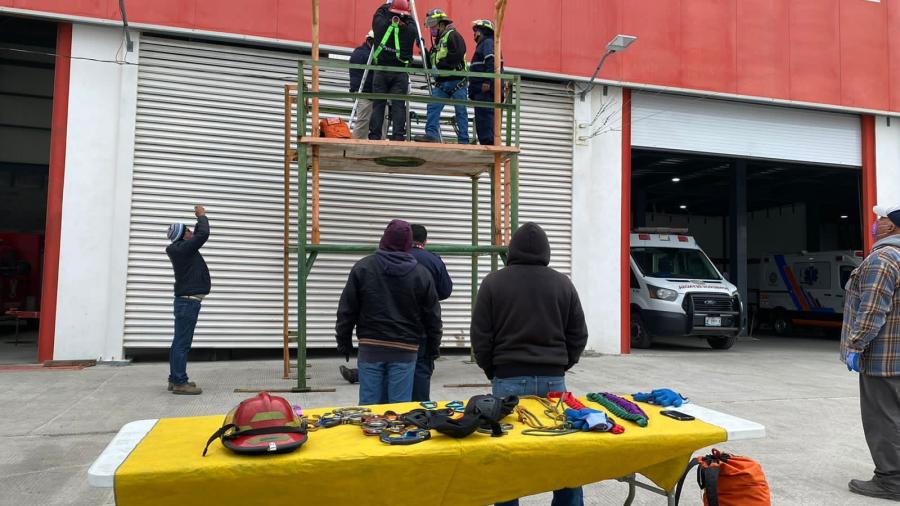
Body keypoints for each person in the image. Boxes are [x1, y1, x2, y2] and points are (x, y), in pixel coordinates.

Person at [471, 222, 588, 506]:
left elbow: (481, 337)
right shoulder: (562, 283)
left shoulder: (493, 282)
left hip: (507, 379)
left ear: (512, 250)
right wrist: (561, 365)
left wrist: (493, 370)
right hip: (553, 382)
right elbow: (578, 334)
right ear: (546, 250)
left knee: (508, 456)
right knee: (562, 455)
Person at [338, 223, 453, 399]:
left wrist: (344, 341)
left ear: (383, 239)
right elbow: (433, 316)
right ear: (408, 243)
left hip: (371, 347)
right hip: (405, 349)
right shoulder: (421, 274)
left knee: (369, 409)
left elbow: (347, 309)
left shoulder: (363, 267)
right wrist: (433, 346)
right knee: (398, 410)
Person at [843, 204, 900, 501]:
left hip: (885, 359)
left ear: (891, 226)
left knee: (883, 418)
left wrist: (855, 345)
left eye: (879, 220)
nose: (874, 225)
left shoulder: (885, 258)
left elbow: (872, 310)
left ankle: (891, 480)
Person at [165, 205, 210, 395]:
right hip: (188, 303)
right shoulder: (183, 249)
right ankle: (179, 383)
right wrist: (201, 216)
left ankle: (175, 378)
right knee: (182, 342)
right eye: (189, 230)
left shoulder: (182, 249)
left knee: (180, 341)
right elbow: (203, 234)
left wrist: (197, 222)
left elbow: (197, 236)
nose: (192, 232)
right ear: (183, 236)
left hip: (187, 302)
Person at [409, 224, 453, 401]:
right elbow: (445, 290)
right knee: (421, 369)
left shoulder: (394, 257)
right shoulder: (433, 260)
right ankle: (419, 413)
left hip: (392, 330)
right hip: (424, 325)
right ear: (425, 241)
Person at [414, 8, 468, 144]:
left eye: (433, 25)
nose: (431, 29)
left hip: (457, 81)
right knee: (433, 106)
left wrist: (441, 66)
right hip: (442, 83)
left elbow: (457, 54)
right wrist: (423, 49)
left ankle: (464, 141)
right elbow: (431, 62)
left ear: (441, 24)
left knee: (460, 112)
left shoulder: (453, 35)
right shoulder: (438, 42)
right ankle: (432, 135)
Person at [369, 0, 416, 141]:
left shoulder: (380, 25)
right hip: (400, 73)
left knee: (378, 105)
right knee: (398, 106)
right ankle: (398, 137)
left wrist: (388, 3)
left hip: (381, 71)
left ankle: (375, 136)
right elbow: (412, 21)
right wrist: (406, 9)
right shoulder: (411, 31)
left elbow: (378, 13)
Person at [469, 19, 502, 145]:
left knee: (485, 121)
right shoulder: (486, 44)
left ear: (482, 31)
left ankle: (488, 143)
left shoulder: (488, 43)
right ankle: (487, 142)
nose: (474, 34)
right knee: (482, 121)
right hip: (481, 92)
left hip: (486, 92)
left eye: (476, 31)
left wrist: (488, 82)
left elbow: (491, 62)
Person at [349, 30, 386, 139]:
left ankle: (380, 145)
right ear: (371, 41)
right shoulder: (360, 53)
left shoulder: (371, 53)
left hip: (376, 94)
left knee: (383, 121)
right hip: (364, 94)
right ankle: (356, 147)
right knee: (363, 122)